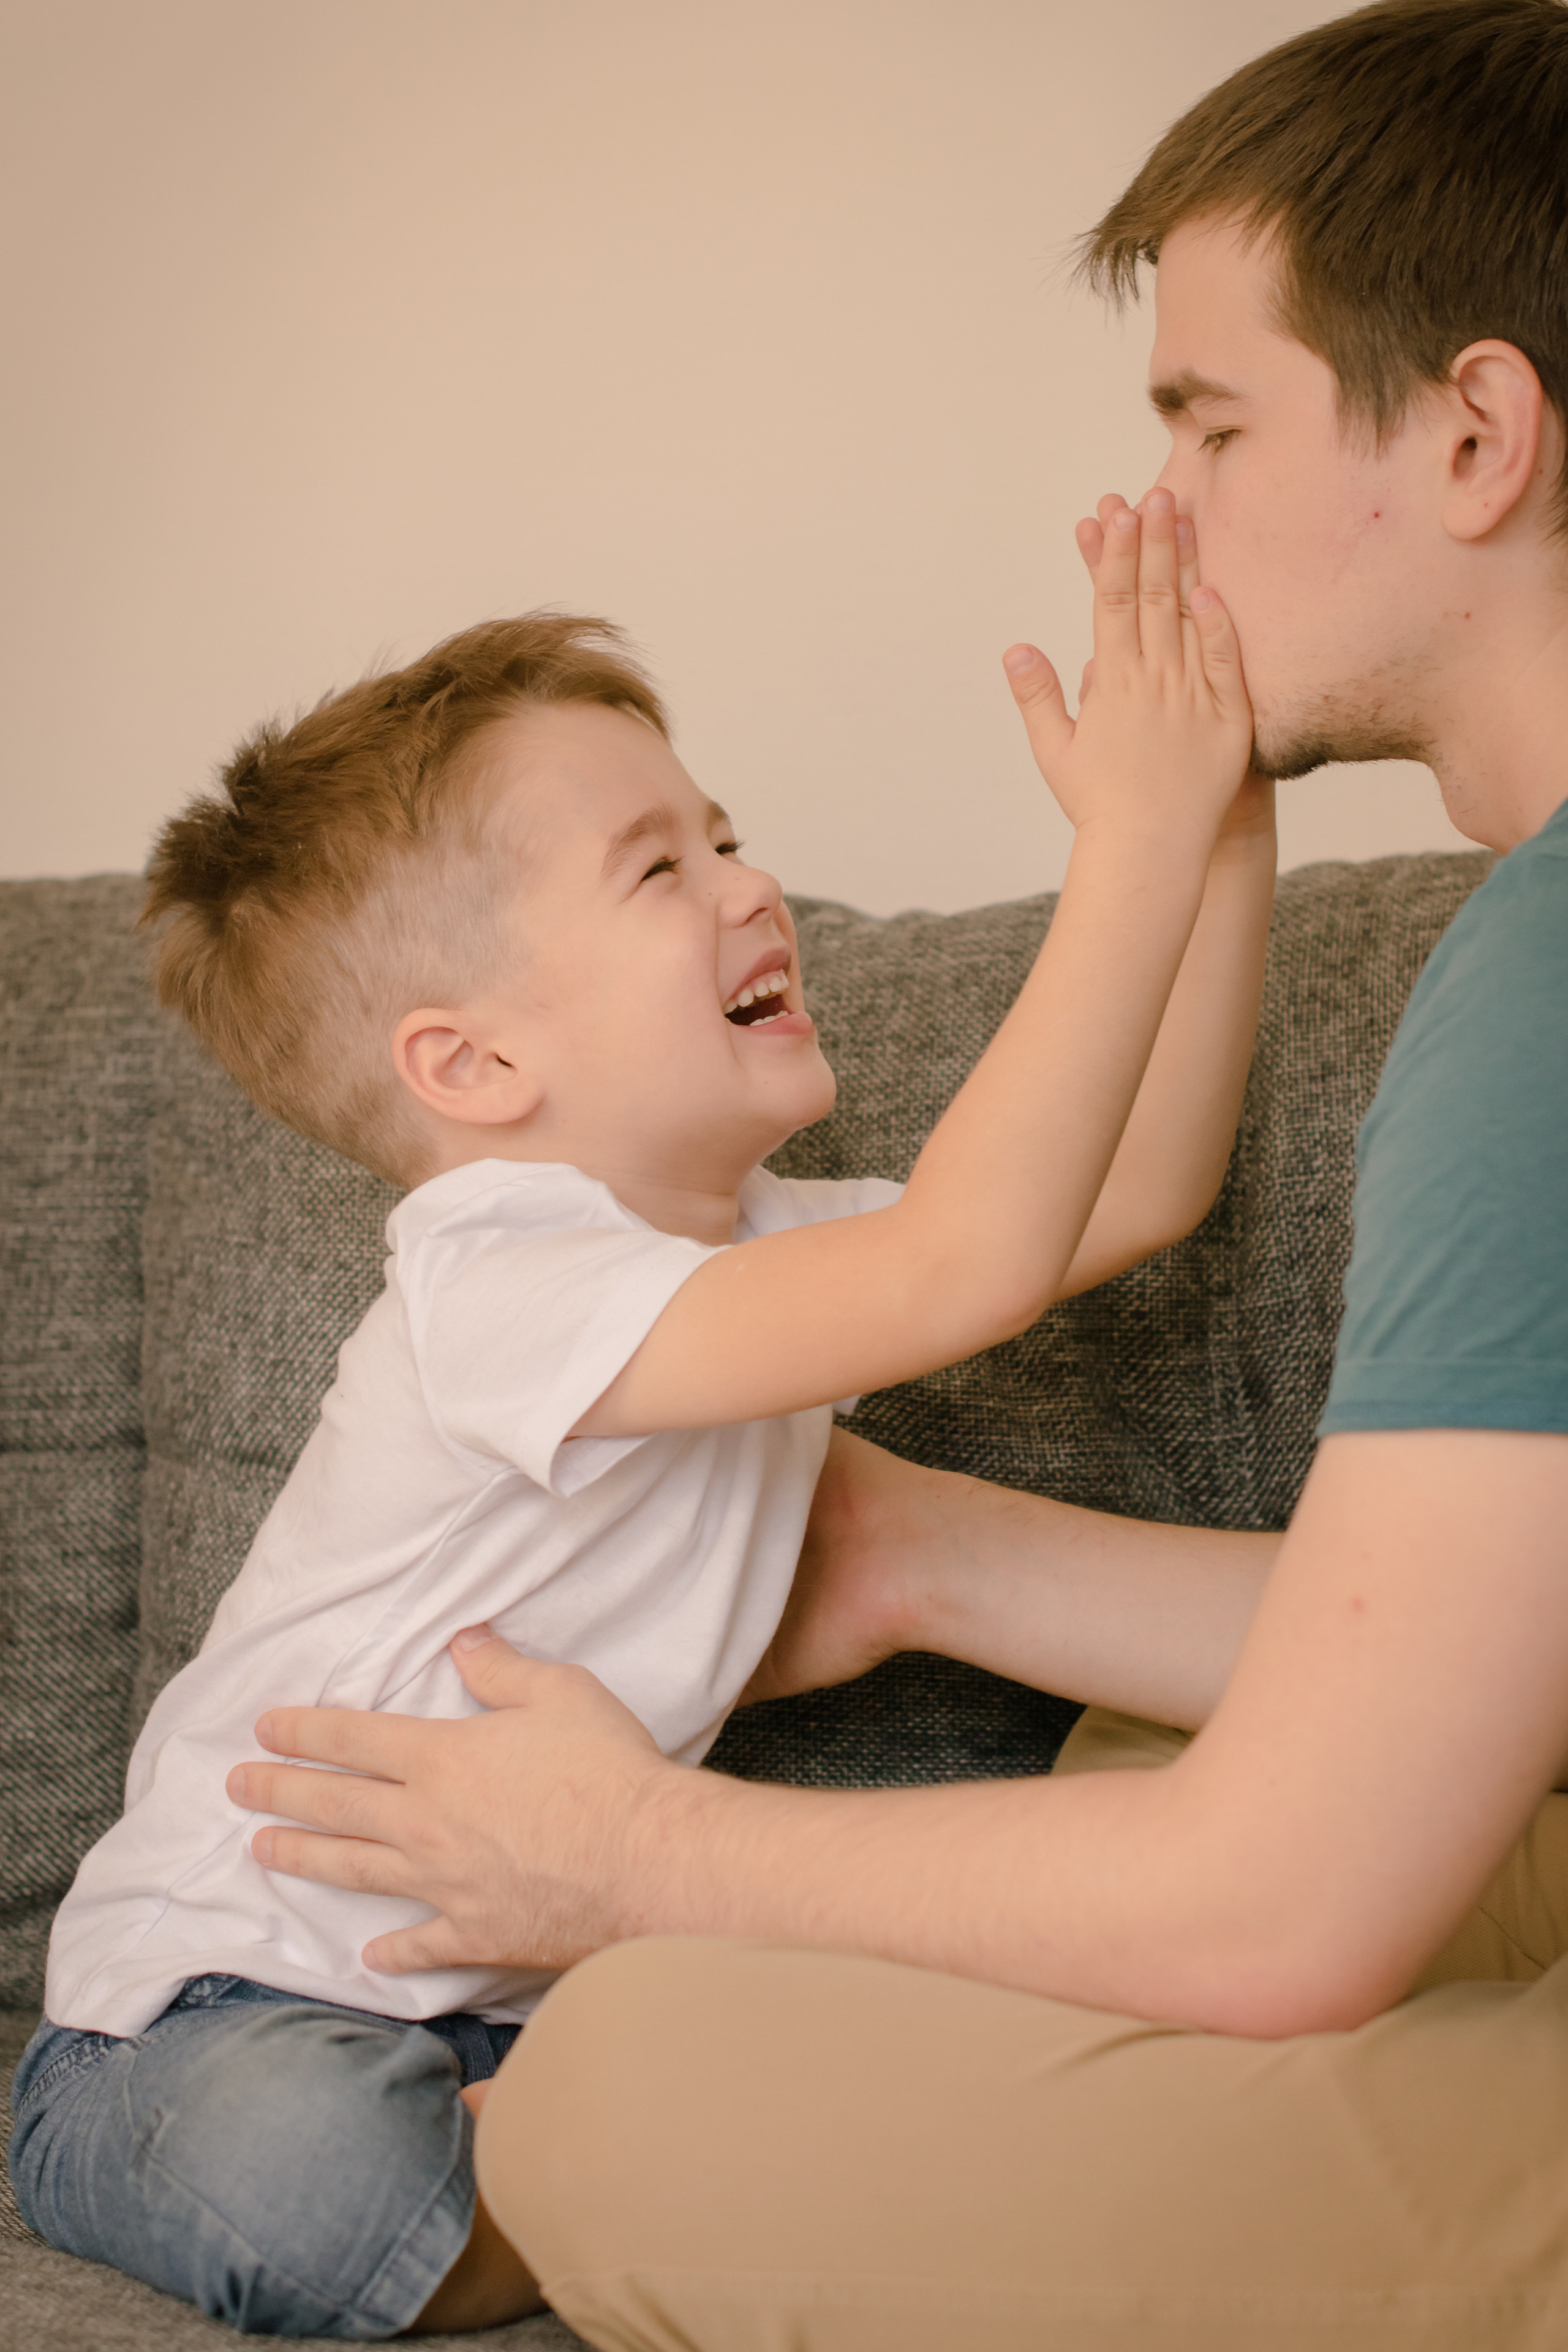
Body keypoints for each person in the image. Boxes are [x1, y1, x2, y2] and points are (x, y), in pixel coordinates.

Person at [200, 2, 1568, 2346]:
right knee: (1186, 1756)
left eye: (1211, 430)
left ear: (1472, 433)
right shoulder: (519, 1274)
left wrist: (648, 1858)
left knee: (622, 2085)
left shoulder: (1539, 988)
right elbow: (1437, 1634)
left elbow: (1028, 1236)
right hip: (241, 1984)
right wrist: (928, 1551)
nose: (1162, 524)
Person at [8, 554, 1273, 2341]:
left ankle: (580, 2157)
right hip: (207, 2016)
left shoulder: (759, 1248)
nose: (755, 886)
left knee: (824, 2028)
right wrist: (1125, 846)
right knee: (310, 2167)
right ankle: (561, 2184)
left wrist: (1220, 834)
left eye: (726, 834)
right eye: (662, 870)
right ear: (469, 1068)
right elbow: (966, 1264)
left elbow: (1138, 1182)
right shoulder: (494, 1281)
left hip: (520, 2001)